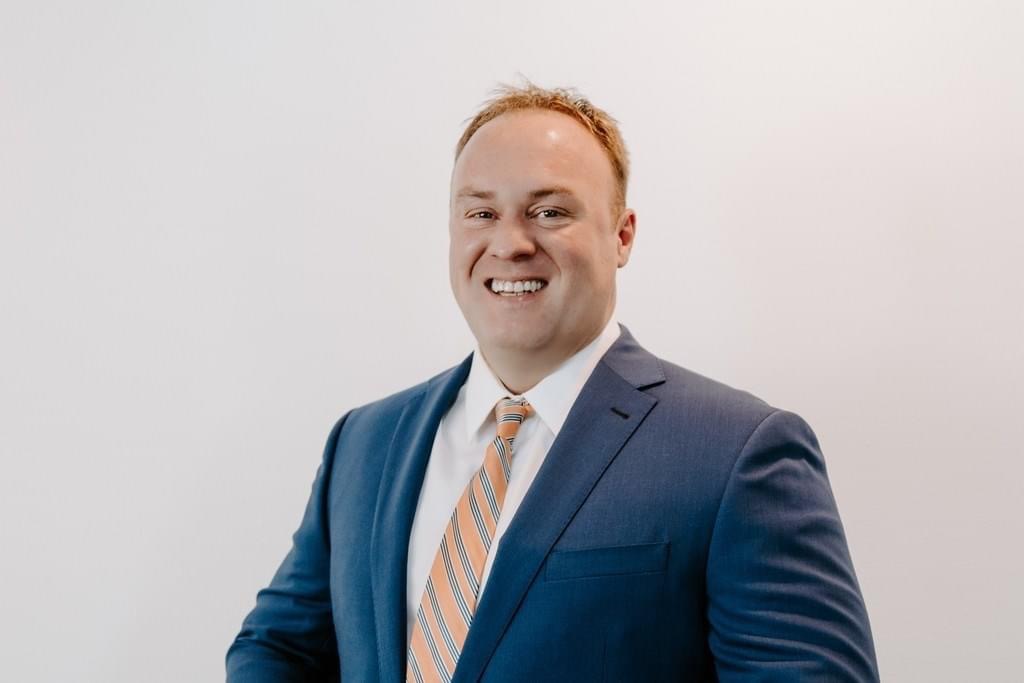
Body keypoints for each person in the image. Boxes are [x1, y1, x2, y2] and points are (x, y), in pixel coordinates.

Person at [226, 83, 879, 682]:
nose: (510, 243)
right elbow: (277, 649)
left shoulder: (734, 452)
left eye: (549, 211)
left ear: (622, 235)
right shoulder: (364, 442)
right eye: (481, 213)